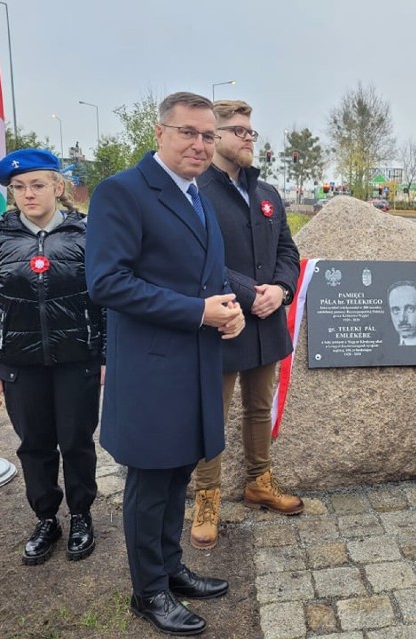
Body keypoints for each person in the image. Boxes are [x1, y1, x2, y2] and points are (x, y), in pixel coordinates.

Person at [86, 92, 245, 636]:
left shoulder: (196, 195)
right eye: (187, 133)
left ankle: (171, 568)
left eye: (207, 135)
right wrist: (197, 311)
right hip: (153, 367)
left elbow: (208, 272)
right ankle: (147, 591)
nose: (199, 144)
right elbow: (107, 282)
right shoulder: (123, 192)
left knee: (178, 473)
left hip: (194, 358)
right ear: (159, 133)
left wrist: (228, 310)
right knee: (151, 482)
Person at [0, 148, 104, 567]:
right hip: (20, 363)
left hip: (76, 358)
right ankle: (46, 517)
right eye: (19, 187)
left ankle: (81, 513)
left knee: (77, 441)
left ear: (58, 187)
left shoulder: (89, 236)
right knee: (34, 444)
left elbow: (104, 303)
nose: (28, 194)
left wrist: (105, 356)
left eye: (38, 185)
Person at [189, 99, 302, 551]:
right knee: (211, 412)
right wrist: (254, 292)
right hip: (224, 320)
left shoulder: (267, 193)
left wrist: (282, 289)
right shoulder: (197, 192)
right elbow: (199, 259)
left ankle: (259, 482)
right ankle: (207, 498)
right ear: (214, 137)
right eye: (238, 130)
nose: (248, 137)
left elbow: (287, 252)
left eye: (251, 131)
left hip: (266, 322)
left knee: (260, 408)